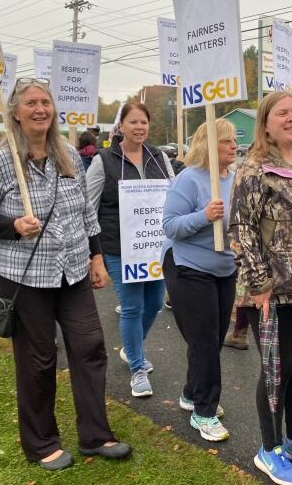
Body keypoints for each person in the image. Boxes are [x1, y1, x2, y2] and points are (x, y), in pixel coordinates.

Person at [0, 78, 131, 470]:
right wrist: (12, 226)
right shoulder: (3, 161)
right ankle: (41, 443)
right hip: (25, 276)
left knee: (90, 349)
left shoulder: (67, 154)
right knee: (38, 359)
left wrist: (95, 257)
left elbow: (86, 212)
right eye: (32, 103)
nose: (41, 109)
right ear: (16, 114)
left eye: (46, 102)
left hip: (72, 271)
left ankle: (95, 434)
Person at [229, 91, 292, 485]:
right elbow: (241, 230)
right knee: (277, 369)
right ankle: (268, 449)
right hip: (272, 289)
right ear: (266, 123)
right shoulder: (254, 168)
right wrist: (258, 284)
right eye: (282, 113)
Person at [86, 102, 174, 398]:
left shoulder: (159, 156)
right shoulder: (104, 160)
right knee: (132, 306)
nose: (139, 127)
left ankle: (130, 348)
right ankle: (137, 368)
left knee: (155, 304)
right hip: (118, 247)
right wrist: (93, 252)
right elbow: (89, 205)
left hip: (153, 247)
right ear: (120, 126)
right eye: (133, 122)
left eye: (144, 122)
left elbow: (173, 196)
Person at [161, 119, 237, 442]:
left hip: (224, 267)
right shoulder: (188, 180)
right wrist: (204, 216)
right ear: (209, 146)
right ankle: (204, 412)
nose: (235, 146)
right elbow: (170, 226)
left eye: (235, 141)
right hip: (188, 266)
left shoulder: (235, 179)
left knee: (214, 337)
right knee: (205, 341)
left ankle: (192, 392)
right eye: (227, 142)